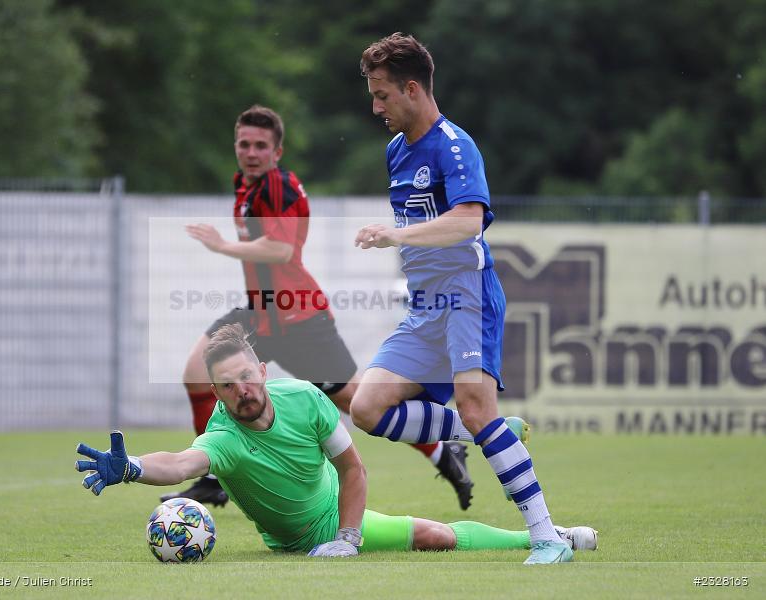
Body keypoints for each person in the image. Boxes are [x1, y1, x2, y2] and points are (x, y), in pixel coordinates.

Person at [168, 104, 478, 510]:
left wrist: (221, 244)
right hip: (261, 312)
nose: (251, 152)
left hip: (298, 317)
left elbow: (280, 250)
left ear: (277, 152)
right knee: (197, 371)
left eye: (261, 145)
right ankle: (212, 479)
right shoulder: (246, 185)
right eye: (244, 144)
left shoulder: (277, 185)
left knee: (355, 403)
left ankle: (442, 449)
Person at [75, 324, 598, 557]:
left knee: (435, 536)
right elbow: (184, 462)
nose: (242, 392)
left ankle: (546, 535)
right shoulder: (223, 435)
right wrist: (135, 467)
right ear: (216, 391)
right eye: (227, 386)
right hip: (291, 542)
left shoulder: (305, 397)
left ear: (262, 369)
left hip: (335, 515)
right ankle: (485, 433)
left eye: (247, 377)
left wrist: (346, 539)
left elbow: (354, 470)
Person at [348, 33, 574, 564]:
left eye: (382, 95)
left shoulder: (455, 145)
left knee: (475, 407)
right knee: (366, 407)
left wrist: (396, 236)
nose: (375, 107)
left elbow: (469, 220)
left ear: (411, 88)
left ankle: (546, 538)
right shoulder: (395, 150)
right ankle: (489, 430)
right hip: (424, 307)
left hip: (467, 297)